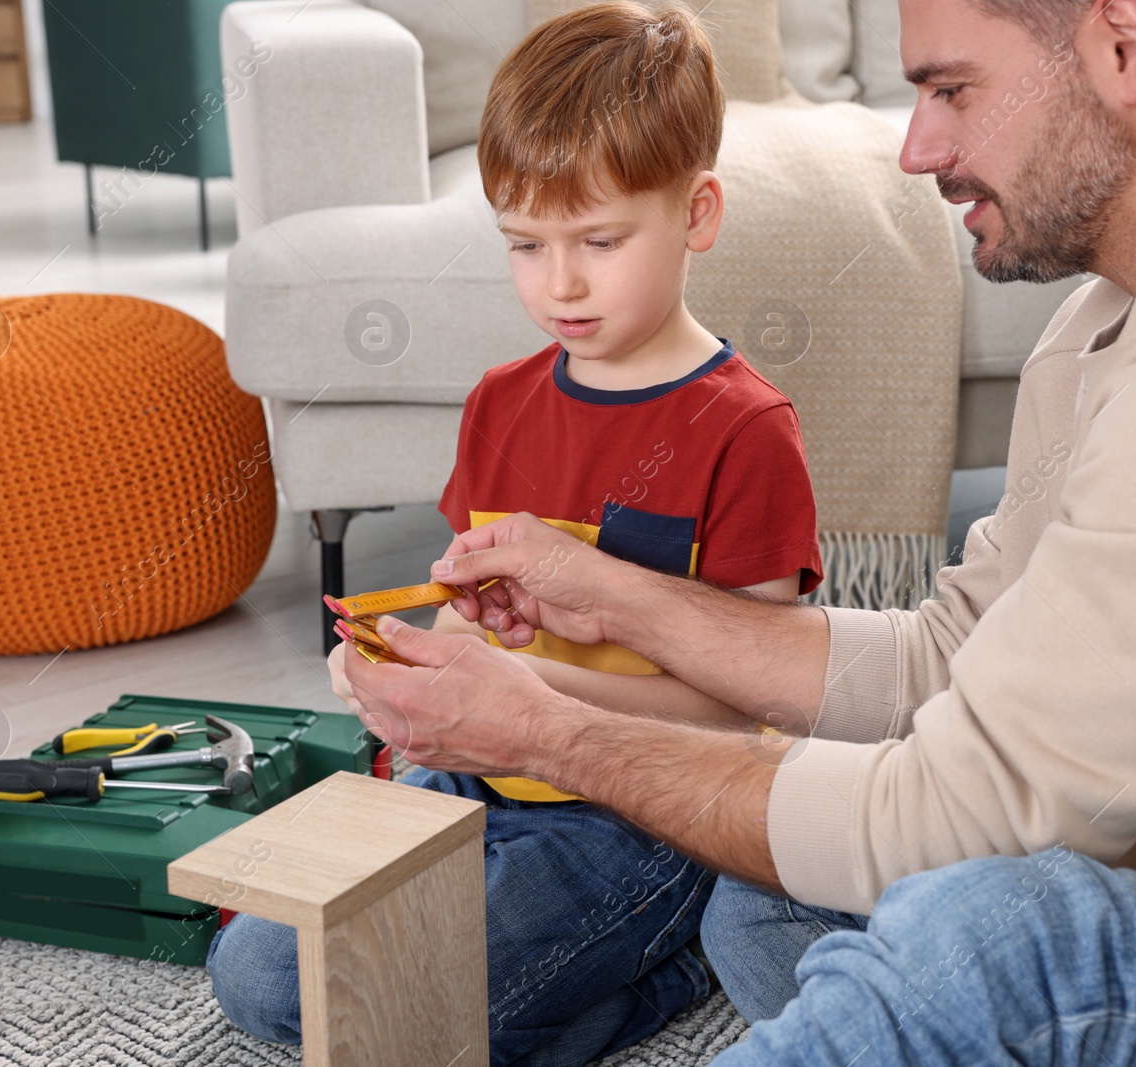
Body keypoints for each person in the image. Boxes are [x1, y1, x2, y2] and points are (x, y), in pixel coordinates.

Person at [333, 0, 1136, 1062]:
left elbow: (968, 815)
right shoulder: (1105, 320)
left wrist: (549, 732)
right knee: (768, 897)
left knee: (997, 943)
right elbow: (946, 657)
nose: (916, 148)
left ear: (1122, 42)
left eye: (950, 89)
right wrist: (616, 595)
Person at [204, 4, 825, 1063]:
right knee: (259, 972)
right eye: (524, 244)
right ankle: (605, 979)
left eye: (599, 240)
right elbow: (478, 624)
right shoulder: (498, 401)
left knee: (410, 1009)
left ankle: (668, 965)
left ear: (698, 212)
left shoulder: (743, 430)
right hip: (470, 777)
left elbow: (752, 715)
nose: (561, 283)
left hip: (641, 819)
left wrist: (541, 702)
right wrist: (406, 665)